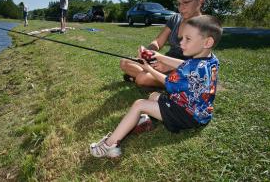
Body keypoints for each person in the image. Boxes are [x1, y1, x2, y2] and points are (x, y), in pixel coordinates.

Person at [90, 15, 223, 158]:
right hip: (201, 112)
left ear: (207, 42)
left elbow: (168, 82)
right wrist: (158, 56)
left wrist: (149, 68)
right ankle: (145, 121)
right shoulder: (210, 60)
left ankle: (109, 146)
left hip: (187, 115)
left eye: (188, 39)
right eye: (182, 38)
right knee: (153, 96)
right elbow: (184, 65)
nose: (181, 43)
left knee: (139, 104)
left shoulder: (194, 68)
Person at [120, 0, 208, 88]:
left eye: (186, 2)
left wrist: (169, 66)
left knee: (142, 78)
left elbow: (199, 65)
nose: (181, 8)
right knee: (124, 62)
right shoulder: (175, 19)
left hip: (183, 71)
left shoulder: (206, 26)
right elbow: (158, 42)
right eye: (179, 4)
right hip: (162, 63)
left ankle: (147, 78)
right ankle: (152, 77)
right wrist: (147, 51)